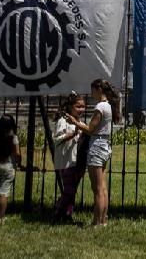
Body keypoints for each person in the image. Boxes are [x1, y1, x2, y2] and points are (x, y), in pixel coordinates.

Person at [67, 79, 121, 227]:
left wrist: (74, 122)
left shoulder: (100, 107)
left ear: (98, 89)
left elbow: (90, 130)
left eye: (92, 90)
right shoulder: (109, 106)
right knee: (102, 187)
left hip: (96, 146)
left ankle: (97, 221)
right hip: (104, 145)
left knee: (97, 188)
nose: (91, 94)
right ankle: (103, 220)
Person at [52, 92, 87, 224]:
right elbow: (57, 139)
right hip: (66, 161)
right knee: (69, 191)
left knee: (72, 191)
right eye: (78, 107)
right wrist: (72, 134)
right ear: (70, 107)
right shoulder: (63, 121)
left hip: (77, 161)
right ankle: (57, 214)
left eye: (83, 107)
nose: (81, 109)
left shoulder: (80, 122)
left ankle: (67, 214)